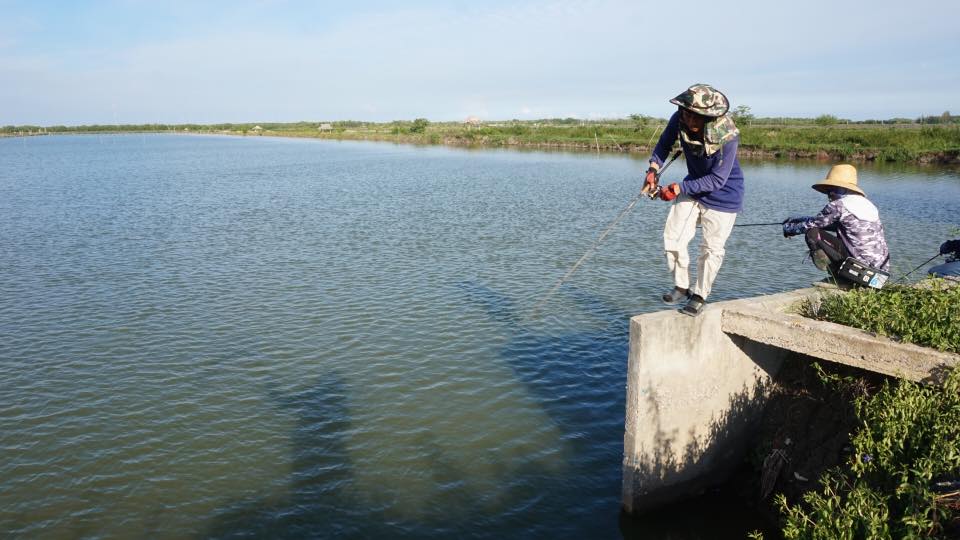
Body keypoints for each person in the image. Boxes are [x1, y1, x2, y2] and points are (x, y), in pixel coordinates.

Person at [645, 83, 743, 316]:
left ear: (708, 117)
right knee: (673, 236)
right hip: (692, 185)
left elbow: (717, 180)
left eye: (695, 117)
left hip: (724, 196)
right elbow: (663, 145)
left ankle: (699, 295)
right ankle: (682, 285)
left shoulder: (728, 136)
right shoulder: (679, 118)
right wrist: (652, 168)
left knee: (711, 249)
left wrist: (677, 188)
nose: (689, 121)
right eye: (686, 113)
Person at [782, 164, 890, 284]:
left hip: (860, 271)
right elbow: (828, 223)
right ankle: (845, 275)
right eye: (829, 190)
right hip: (880, 275)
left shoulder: (839, 205)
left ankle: (838, 277)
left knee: (812, 233)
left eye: (833, 190)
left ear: (843, 189)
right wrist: (796, 219)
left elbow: (812, 225)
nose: (829, 194)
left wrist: (788, 228)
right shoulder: (868, 205)